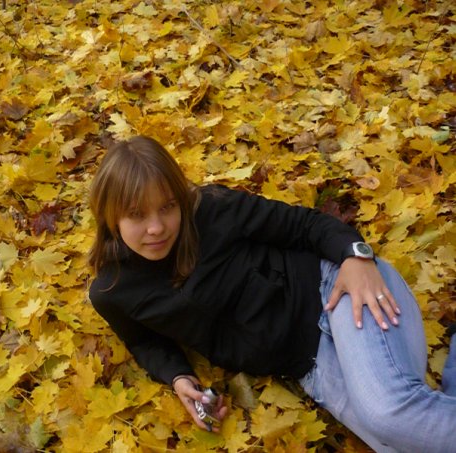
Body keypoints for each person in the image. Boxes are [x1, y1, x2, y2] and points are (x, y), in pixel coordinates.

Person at [88, 135, 456, 452]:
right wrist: (179, 377)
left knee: (389, 413)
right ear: (110, 217)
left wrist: (354, 255)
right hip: (309, 365)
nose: (156, 227)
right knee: (405, 443)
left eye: (168, 207)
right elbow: (144, 341)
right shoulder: (112, 291)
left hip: (338, 289)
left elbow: (304, 225)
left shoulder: (212, 210)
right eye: (137, 215)